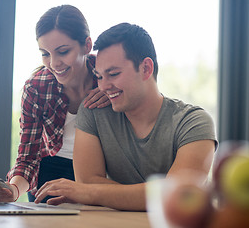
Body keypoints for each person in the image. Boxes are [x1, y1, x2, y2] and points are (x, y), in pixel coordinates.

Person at [33, 23, 218, 211]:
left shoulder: (193, 122)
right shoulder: (93, 112)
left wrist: (93, 193)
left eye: (113, 74)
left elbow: (177, 196)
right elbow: (87, 181)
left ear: (146, 68)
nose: (103, 86)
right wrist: (151, 195)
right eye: (99, 76)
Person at [0, 5, 109, 203]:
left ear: (87, 45)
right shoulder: (37, 87)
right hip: (51, 174)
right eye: (45, 53)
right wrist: (13, 190)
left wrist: (113, 94)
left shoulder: (109, 77)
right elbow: (29, 155)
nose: (54, 63)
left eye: (63, 51)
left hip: (101, 172)